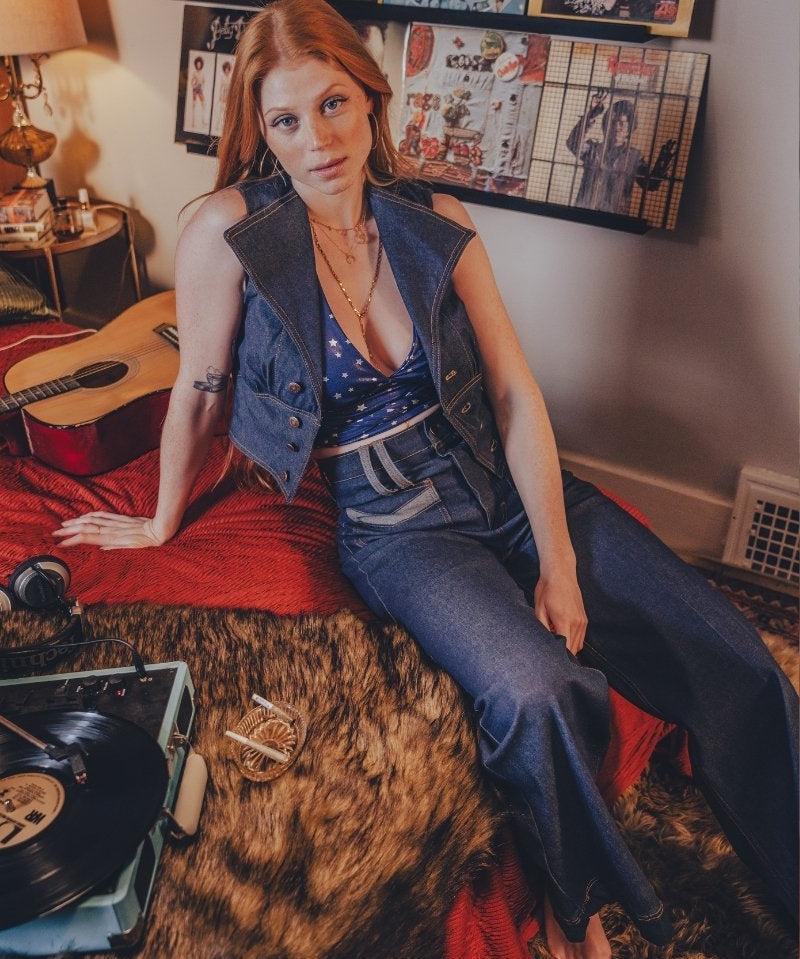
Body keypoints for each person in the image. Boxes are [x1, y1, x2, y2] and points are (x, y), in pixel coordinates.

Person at [54, 1, 799, 956]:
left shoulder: (436, 219)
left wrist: (559, 561)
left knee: (732, 652)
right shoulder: (229, 232)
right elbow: (199, 391)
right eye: (285, 120)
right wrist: (161, 522)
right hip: (397, 525)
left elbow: (514, 391)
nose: (316, 140)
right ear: (261, 128)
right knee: (539, 690)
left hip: (504, 475)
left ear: (369, 100)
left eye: (333, 106)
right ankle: (577, 914)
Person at [567, 91, 676, 216]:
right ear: (606, 126)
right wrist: (591, 114)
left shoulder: (634, 157)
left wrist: (662, 164)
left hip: (614, 219)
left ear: (630, 128)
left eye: (623, 123)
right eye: (613, 122)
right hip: (584, 213)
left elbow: (650, 184)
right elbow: (572, 143)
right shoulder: (592, 149)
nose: (617, 127)